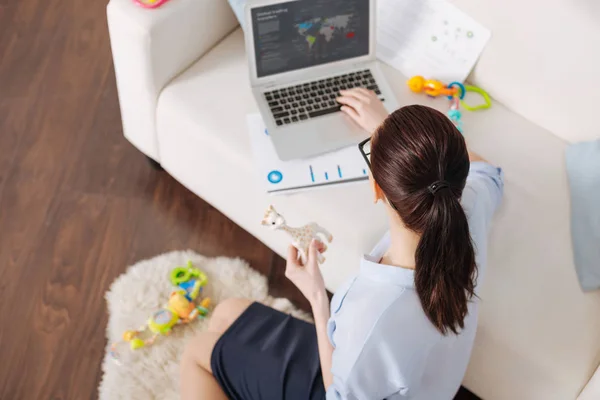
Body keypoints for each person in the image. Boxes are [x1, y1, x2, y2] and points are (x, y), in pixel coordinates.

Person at [180, 88, 504, 400]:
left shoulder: (370, 316)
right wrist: (394, 139)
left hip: (348, 383)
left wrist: (318, 301)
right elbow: (488, 171)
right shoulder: (468, 209)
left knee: (196, 354)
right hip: (412, 383)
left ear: (376, 188)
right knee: (226, 312)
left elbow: (336, 393)